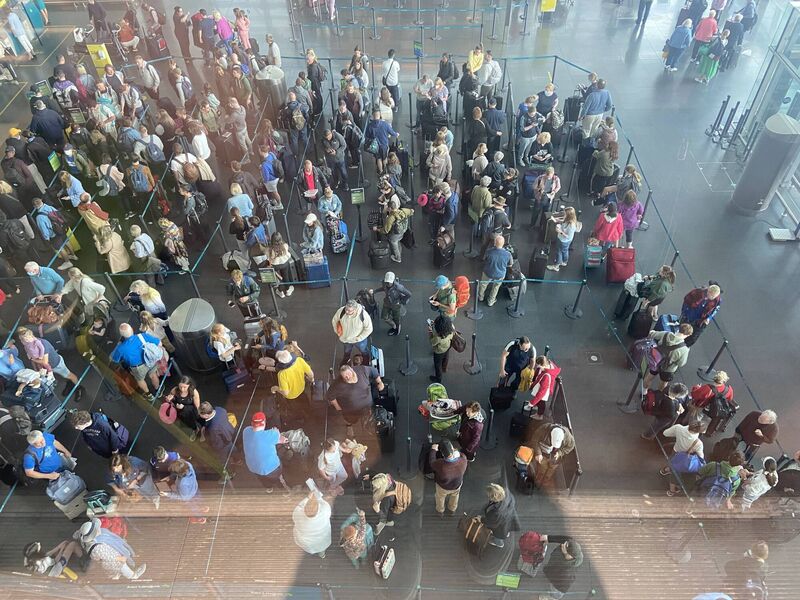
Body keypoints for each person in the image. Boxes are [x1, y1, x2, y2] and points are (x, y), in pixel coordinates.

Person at [17, 327, 82, 398]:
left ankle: (79, 387)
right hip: (45, 367)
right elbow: (32, 356)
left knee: (69, 375)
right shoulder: (28, 345)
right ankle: (70, 384)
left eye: (25, 338)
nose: (24, 341)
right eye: (23, 339)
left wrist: (33, 360)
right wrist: (36, 369)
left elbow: (44, 361)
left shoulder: (42, 343)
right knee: (62, 377)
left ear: (30, 335)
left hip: (56, 364)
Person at [75, 518, 146, 579]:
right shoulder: (98, 547)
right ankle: (133, 576)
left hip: (101, 560)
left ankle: (116, 576)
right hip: (111, 561)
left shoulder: (85, 540)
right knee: (122, 567)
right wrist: (121, 559)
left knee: (114, 571)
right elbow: (110, 557)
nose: (99, 528)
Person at [110, 323, 164, 396]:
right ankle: (158, 390)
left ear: (122, 335)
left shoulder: (121, 348)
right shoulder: (142, 336)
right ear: (132, 329)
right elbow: (159, 343)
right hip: (150, 360)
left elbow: (115, 359)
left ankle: (149, 395)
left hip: (138, 368)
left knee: (140, 380)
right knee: (153, 375)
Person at [243, 411, 290, 492]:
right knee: (278, 478)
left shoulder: (246, 431)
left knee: (263, 479)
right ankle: (285, 491)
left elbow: (260, 438)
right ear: (264, 423)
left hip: (253, 467)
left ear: (252, 423)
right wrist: (276, 432)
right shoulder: (272, 434)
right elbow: (281, 439)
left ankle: (269, 488)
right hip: (271, 469)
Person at [643, 323, 693, 390]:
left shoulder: (666, 334)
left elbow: (652, 334)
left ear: (679, 329)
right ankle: (658, 395)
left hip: (656, 361)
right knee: (663, 383)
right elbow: (681, 364)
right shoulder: (684, 349)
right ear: (687, 335)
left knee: (649, 376)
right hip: (668, 369)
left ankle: (644, 391)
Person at [662, 421, 706, 496]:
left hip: (676, 451)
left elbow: (665, 433)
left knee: (672, 462)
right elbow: (701, 456)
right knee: (676, 473)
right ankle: (672, 490)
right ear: (701, 431)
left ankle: (666, 470)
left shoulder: (678, 427)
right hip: (685, 458)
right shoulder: (698, 443)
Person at [270, 350, 315, 423]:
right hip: (302, 388)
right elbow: (311, 374)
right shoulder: (299, 360)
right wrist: (310, 379)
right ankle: (309, 414)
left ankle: (300, 419)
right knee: (305, 403)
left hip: (292, 396)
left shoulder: (282, 374)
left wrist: (275, 388)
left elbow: (286, 392)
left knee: (296, 409)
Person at [429, 439, 468, 516]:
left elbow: (432, 463)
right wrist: (457, 452)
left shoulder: (440, 464)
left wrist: (433, 450)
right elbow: (462, 455)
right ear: (453, 449)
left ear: (442, 453)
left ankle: (440, 511)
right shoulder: (463, 460)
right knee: (455, 497)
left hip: (443, 487)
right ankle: (452, 509)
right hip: (457, 485)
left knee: (440, 498)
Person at [293, 488, 332, 558]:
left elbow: (300, 506)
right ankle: (322, 555)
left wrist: (308, 498)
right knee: (321, 548)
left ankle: (312, 552)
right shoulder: (325, 510)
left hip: (306, 542)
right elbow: (323, 503)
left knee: (310, 548)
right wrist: (318, 497)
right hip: (321, 539)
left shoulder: (298, 514)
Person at [163, 376, 204, 441]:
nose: (182, 389)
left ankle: (203, 429)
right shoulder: (175, 390)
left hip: (191, 410)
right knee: (189, 423)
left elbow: (197, 407)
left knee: (199, 420)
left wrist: (184, 407)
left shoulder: (193, 392)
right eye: (180, 387)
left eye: (185, 387)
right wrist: (169, 399)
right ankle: (195, 430)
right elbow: (171, 399)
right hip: (181, 411)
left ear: (189, 385)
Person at [198, 401, 237, 468]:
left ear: (206, 415)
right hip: (229, 434)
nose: (199, 415)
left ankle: (225, 469)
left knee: (222, 459)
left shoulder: (213, 428)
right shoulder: (220, 410)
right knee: (233, 450)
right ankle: (237, 459)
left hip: (223, 445)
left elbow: (216, 441)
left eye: (200, 414)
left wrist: (214, 448)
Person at [372, 271, 411, 336]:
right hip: (387, 302)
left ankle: (397, 329)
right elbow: (383, 288)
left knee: (396, 318)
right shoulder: (384, 282)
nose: (388, 283)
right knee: (385, 317)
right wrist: (375, 291)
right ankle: (394, 326)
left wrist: (402, 301)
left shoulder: (398, 287)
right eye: (387, 281)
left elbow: (409, 294)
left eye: (389, 282)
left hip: (396, 305)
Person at [478, 235, 513, 308]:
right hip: (500, 274)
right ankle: (491, 301)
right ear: (503, 244)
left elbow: (484, 259)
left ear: (494, 243)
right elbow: (510, 264)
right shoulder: (508, 254)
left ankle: (480, 297)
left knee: (483, 284)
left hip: (488, 272)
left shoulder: (489, 251)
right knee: (496, 287)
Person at [480, 484, 519, 548]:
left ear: (493, 497)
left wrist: (481, 519)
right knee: (506, 529)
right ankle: (507, 533)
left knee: (498, 537)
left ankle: (499, 543)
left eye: (488, 495)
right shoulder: (507, 494)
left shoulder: (495, 512)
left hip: (500, 528)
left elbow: (491, 522)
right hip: (509, 520)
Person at [363, 110, 398, 175]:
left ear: (373, 116)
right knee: (384, 158)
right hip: (384, 145)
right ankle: (385, 169)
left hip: (375, 146)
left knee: (378, 158)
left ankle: (381, 171)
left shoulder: (370, 126)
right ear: (380, 115)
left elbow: (367, 137)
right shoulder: (385, 124)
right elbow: (392, 132)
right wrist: (396, 134)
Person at [546, 207, 578, 272]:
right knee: (565, 250)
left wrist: (560, 231)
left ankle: (556, 266)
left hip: (563, 240)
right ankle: (564, 262)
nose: (564, 215)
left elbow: (568, 236)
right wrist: (557, 220)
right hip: (565, 241)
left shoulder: (571, 225)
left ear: (569, 215)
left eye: (565, 214)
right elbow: (564, 221)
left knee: (559, 252)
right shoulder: (570, 220)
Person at [428, 315, 454, 384]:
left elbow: (432, 342)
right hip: (447, 346)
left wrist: (430, 332)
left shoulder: (438, 338)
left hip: (439, 352)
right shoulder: (451, 328)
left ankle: (438, 378)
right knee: (446, 357)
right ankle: (444, 367)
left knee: (437, 365)